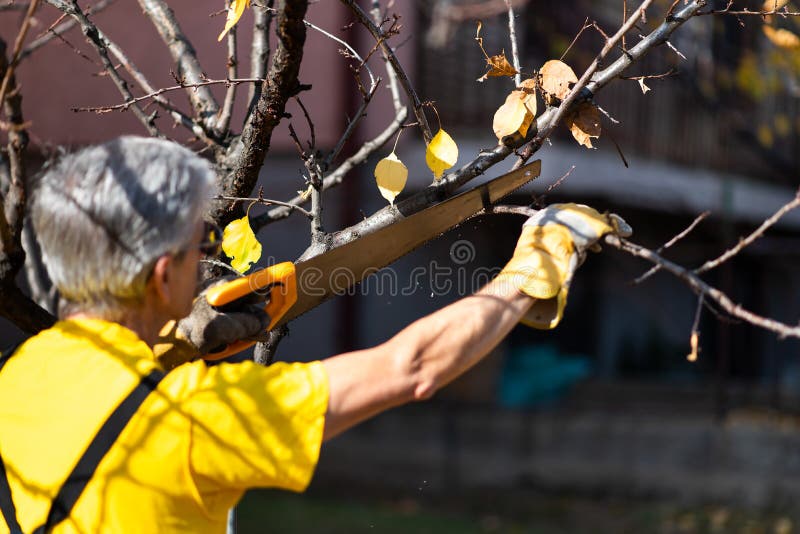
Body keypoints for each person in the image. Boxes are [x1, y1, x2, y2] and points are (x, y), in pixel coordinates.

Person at [0, 136, 630, 533]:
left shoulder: (21, 373)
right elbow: (411, 369)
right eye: (200, 246)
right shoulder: (195, 418)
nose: (209, 257)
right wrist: (531, 274)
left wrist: (172, 343)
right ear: (163, 276)